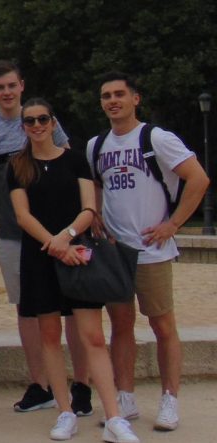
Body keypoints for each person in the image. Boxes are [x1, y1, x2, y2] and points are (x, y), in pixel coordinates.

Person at [6, 99, 139, 443]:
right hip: (41, 256)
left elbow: (89, 208)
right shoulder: (18, 165)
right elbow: (22, 215)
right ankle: (64, 411)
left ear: (53, 123)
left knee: (92, 336)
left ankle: (114, 417)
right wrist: (54, 245)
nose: (37, 125)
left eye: (43, 119)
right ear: (23, 127)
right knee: (50, 336)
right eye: (30, 121)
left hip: (77, 252)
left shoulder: (75, 159)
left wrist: (65, 239)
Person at [90, 72, 208, 432]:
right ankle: (124, 397)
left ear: (135, 98)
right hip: (117, 251)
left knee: (162, 324)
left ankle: (169, 398)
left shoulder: (156, 138)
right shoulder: (96, 145)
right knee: (120, 325)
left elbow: (198, 178)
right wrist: (96, 216)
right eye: (107, 96)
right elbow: (98, 186)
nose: (113, 101)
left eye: (119, 94)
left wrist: (173, 224)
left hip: (152, 249)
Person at [0, 61, 90, 415]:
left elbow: (69, 167)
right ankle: (40, 384)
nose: (6, 92)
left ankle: (82, 384)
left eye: (11, 85)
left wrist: (81, 223)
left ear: (21, 86)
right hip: (15, 232)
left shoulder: (43, 119)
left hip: (62, 229)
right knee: (26, 308)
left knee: (74, 310)